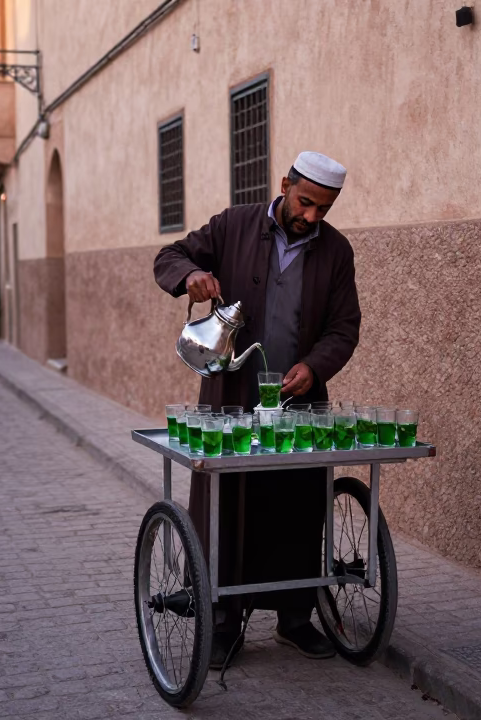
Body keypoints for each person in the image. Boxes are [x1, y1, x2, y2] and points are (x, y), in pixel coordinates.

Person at [153, 151, 360, 667]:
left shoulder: (336, 252)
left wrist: (315, 367)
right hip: (230, 400)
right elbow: (169, 257)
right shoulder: (235, 225)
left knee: (295, 506)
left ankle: (295, 619)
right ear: (285, 184)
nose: (312, 217)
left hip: (297, 404)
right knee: (230, 509)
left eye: (323, 209)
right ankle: (223, 624)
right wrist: (192, 275)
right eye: (306, 203)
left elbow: (344, 328)